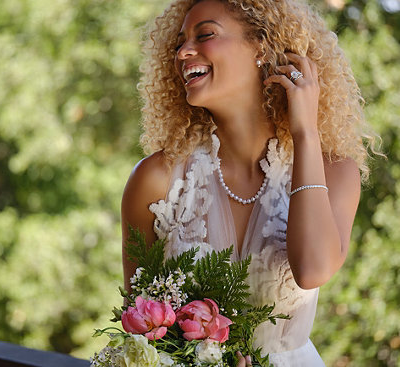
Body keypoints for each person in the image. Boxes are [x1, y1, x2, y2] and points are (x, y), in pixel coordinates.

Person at [121, 0, 376, 365]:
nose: (183, 52)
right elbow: (139, 333)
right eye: (179, 43)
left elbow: (313, 269)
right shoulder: (155, 181)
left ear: (261, 46)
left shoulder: (335, 171)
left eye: (204, 34)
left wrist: (305, 132)